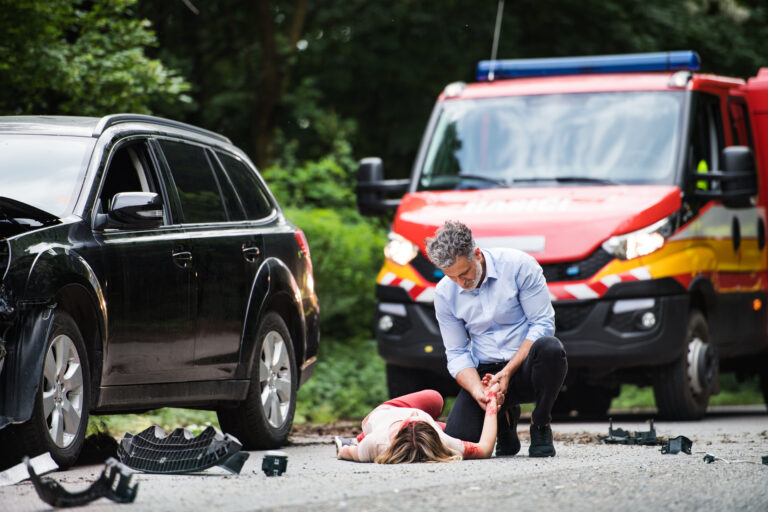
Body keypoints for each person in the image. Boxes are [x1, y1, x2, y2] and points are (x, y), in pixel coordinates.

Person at [425, 220, 568, 457]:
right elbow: (457, 352)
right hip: (486, 374)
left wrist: (508, 372)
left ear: (477, 254)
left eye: (464, 273)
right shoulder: (444, 294)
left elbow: (542, 324)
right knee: (460, 441)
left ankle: (540, 422)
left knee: (551, 349)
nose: (461, 283)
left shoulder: (519, 266)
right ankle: (504, 421)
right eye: (452, 277)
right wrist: (477, 390)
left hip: (526, 368)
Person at [336, 387, 499, 463]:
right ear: (433, 433)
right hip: (420, 432)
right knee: (466, 431)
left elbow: (344, 450)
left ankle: (361, 435)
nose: (414, 413)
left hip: (382, 416)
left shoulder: (374, 443)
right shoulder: (443, 441)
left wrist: (356, 447)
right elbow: (485, 449)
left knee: (434, 398)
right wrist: (492, 401)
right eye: (420, 419)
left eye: (410, 420)